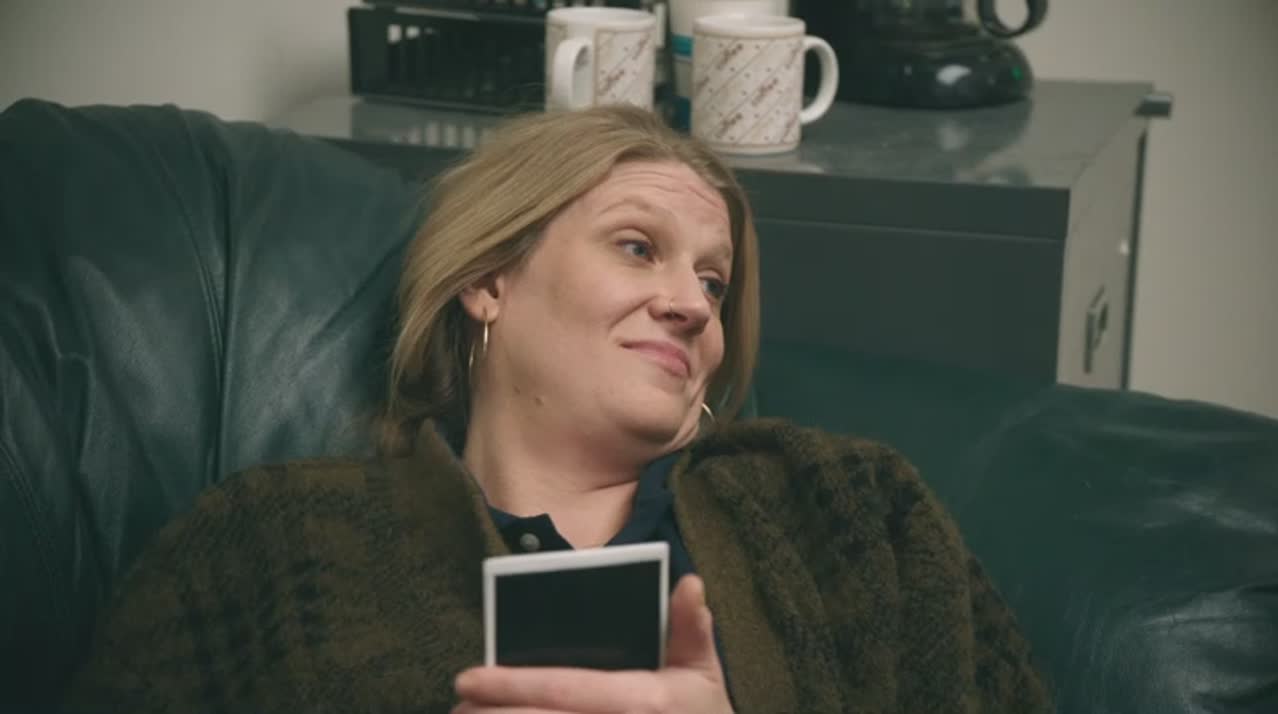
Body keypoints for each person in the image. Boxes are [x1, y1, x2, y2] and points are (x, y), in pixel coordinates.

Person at [62, 105, 1052, 713]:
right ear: (488, 279)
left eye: (714, 283)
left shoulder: (847, 511)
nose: (690, 304)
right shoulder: (272, 542)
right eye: (637, 247)